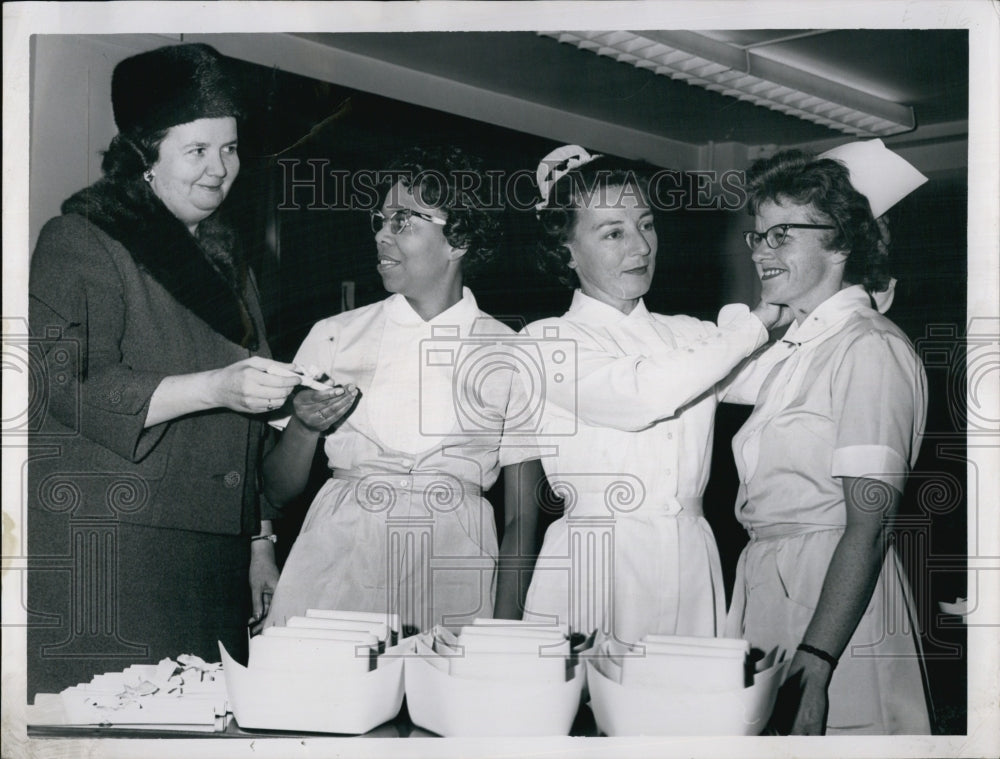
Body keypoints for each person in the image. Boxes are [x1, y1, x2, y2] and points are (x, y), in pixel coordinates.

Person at [27, 43, 302, 697]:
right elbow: (68, 384)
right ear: (144, 151)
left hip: (215, 554)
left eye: (230, 148)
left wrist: (260, 540)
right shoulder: (81, 239)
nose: (221, 169)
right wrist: (215, 387)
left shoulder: (229, 263)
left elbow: (249, 426)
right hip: (118, 550)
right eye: (197, 150)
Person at [256, 146, 542, 633]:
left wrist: (503, 634)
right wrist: (304, 427)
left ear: (459, 239)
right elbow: (274, 492)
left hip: (455, 577)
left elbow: (522, 520)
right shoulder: (334, 335)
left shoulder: (514, 353)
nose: (381, 236)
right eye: (380, 220)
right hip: (335, 570)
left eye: (403, 221)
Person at [518, 146, 783, 643]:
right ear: (565, 250)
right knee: (581, 712)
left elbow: (779, 382)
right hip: (595, 560)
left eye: (646, 224)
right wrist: (757, 322)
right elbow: (642, 396)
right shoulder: (544, 340)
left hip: (689, 555)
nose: (641, 247)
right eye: (614, 232)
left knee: (685, 712)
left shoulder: (689, 334)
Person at [724, 141, 931, 734]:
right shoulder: (799, 352)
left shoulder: (869, 347)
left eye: (781, 234)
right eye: (758, 234)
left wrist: (817, 661)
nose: (761, 251)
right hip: (770, 581)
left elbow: (869, 526)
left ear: (840, 242)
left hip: (833, 603)